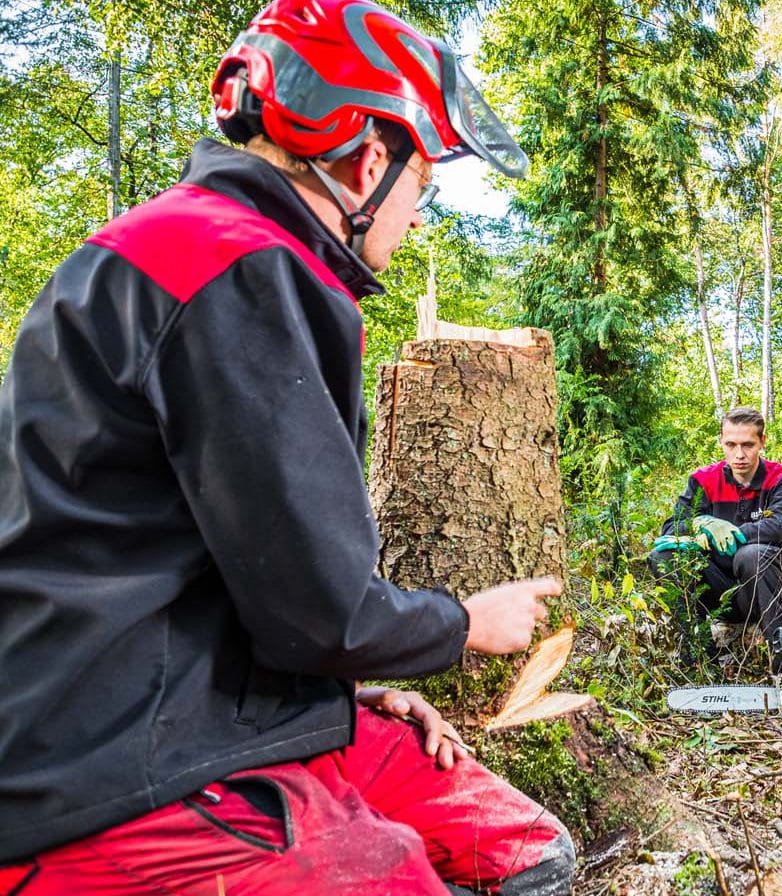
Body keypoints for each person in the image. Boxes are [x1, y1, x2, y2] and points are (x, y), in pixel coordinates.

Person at [0, 1, 573, 893]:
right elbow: (321, 609)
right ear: (370, 162)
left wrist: (330, 699)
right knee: (398, 875)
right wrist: (467, 624)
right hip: (109, 764)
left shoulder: (185, 249)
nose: (416, 217)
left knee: (526, 851)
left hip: (181, 705)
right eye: (424, 186)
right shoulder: (238, 265)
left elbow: (191, 550)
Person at [651, 407, 782, 688]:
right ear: (721, 442)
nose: (739, 454)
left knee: (752, 554)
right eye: (731, 444)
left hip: (765, 587)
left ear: (762, 442)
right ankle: (698, 655)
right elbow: (671, 528)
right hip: (718, 590)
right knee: (663, 556)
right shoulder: (703, 481)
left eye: (748, 444)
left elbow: (778, 529)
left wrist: (732, 533)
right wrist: (703, 523)